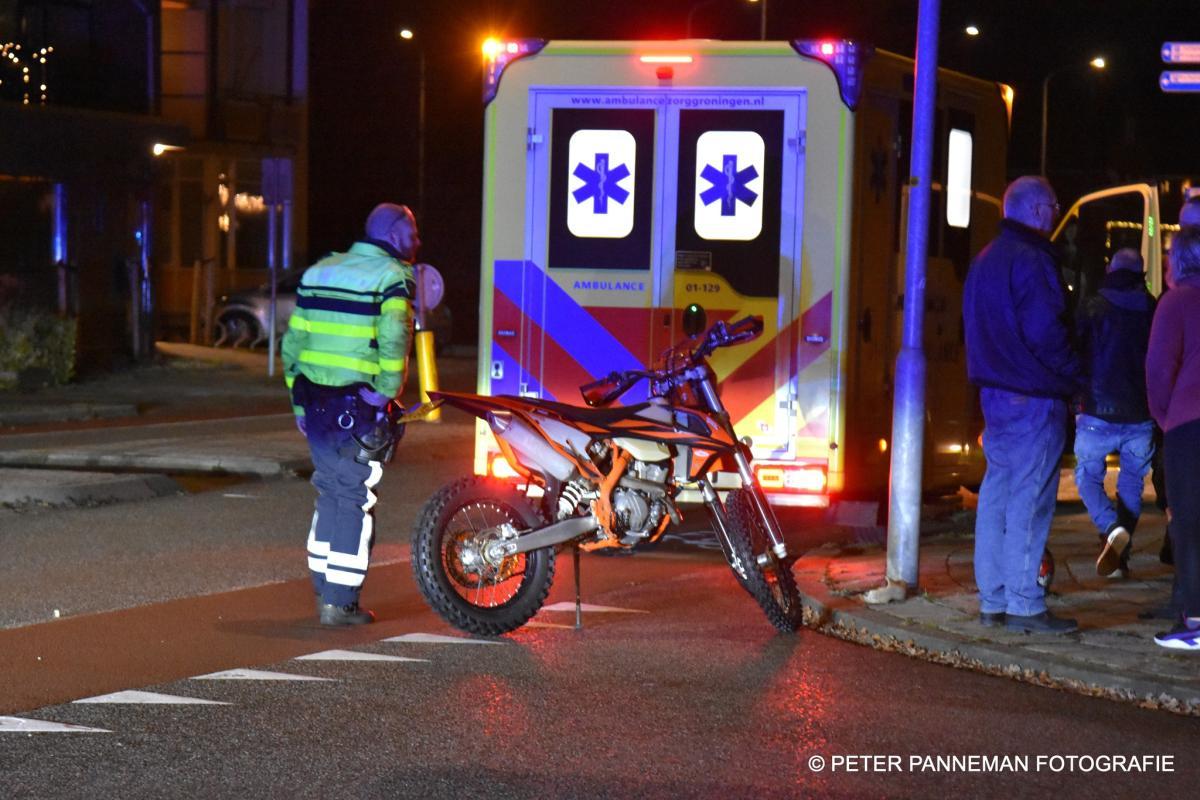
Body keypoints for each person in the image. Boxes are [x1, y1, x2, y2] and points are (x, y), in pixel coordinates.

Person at [281, 203, 418, 626]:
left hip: (315, 401)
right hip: (358, 405)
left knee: (329, 491)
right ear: (393, 234)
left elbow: (293, 344)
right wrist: (386, 392)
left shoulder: (319, 272)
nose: (417, 241)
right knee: (355, 496)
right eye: (412, 232)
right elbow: (395, 337)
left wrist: (299, 404)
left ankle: (324, 589)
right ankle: (340, 603)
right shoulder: (391, 277)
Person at [963, 175, 1084, 634]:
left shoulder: (984, 260)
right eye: (1053, 205)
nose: (1056, 213)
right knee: (1030, 501)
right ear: (1036, 210)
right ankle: (1025, 604)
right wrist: (1076, 378)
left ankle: (992, 599)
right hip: (1034, 395)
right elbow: (1047, 334)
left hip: (994, 396)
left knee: (995, 496)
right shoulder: (1032, 260)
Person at [1072, 248, 1156, 578]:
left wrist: (1074, 398)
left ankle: (1110, 528)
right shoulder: (1152, 308)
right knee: (1132, 482)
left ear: (1111, 270)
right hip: (1141, 411)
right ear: (1141, 274)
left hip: (1096, 409)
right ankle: (1120, 555)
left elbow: (1076, 353)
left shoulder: (1092, 306)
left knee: (1087, 476)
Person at [1145, 225, 1200, 649]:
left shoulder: (1176, 302)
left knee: (1190, 522)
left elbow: (1159, 370)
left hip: (1190, 422)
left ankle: (1195, 621)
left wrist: (1167, 419)